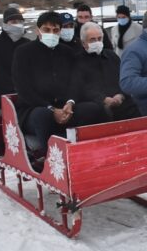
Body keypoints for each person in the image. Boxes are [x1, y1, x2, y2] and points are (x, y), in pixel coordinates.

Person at [11, 11, 106, 153]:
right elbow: (24, 89)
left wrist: (70, 102)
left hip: (65, 107)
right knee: (43, 116)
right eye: (46, 30)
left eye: (55, 30)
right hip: (33, 109)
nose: (51, 33)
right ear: (38, 30)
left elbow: (76, 82)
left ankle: (90, 151)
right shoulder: (23, 52)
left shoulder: (67, 52)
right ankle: (51, 159)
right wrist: (51, 108)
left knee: (94, 108)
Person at [76, 22, 140, 121]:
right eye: (92, 40)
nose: (97, 42)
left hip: (121, 103)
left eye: (99, 38)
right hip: (97, 107)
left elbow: (124, 78)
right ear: (84, 42)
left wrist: (121, 95)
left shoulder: (112, 56)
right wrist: (103, 99)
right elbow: (81, 88)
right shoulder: (78, 61)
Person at [0, 7, 29, 113]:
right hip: (4, 93)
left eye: (20, 22)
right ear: (5, 24)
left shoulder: (27, 43)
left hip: (27, 91)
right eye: (13, 22)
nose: (17, 24)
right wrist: (18, 88)